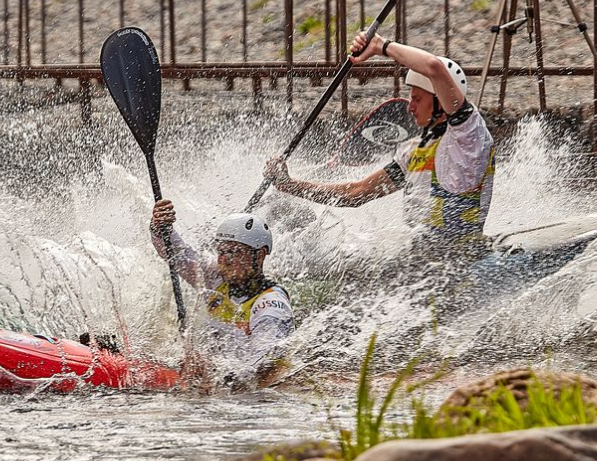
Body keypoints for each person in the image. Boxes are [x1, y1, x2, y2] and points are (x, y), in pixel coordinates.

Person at [264, 32, 496, 249]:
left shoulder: (469, 139)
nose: (411, 107)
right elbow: (357, 193)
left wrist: (380, 46)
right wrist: (289, 185)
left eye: (417, 99)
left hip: (463, 259)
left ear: (440, 102)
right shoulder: (416, 152)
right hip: (423, 262)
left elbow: (434, 67)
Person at [150, 202, 293, 387]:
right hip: (217, 379)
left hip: (252, 399)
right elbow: (177, 254)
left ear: (259, 255)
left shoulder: (271, 306)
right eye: (221, 251)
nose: (224, 260)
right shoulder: (216, 278)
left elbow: (260, 372)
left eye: (233, 252)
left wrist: (208, 370)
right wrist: (160, 226)